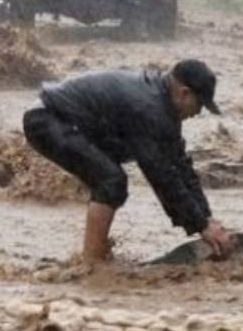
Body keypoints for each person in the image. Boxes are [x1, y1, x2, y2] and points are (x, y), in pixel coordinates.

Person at [23, 59, 232, 263]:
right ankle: (92, 264)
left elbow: (181, 168)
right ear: (184, 92)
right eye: (200, 105)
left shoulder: (163, 107)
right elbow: (161, 175)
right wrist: (200, 226)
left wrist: (207, 218)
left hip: (66, 121)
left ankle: (93, 257)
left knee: (110, 180)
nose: (198, 113)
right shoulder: (148, 108)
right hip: (46, 119)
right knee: (111, 181)